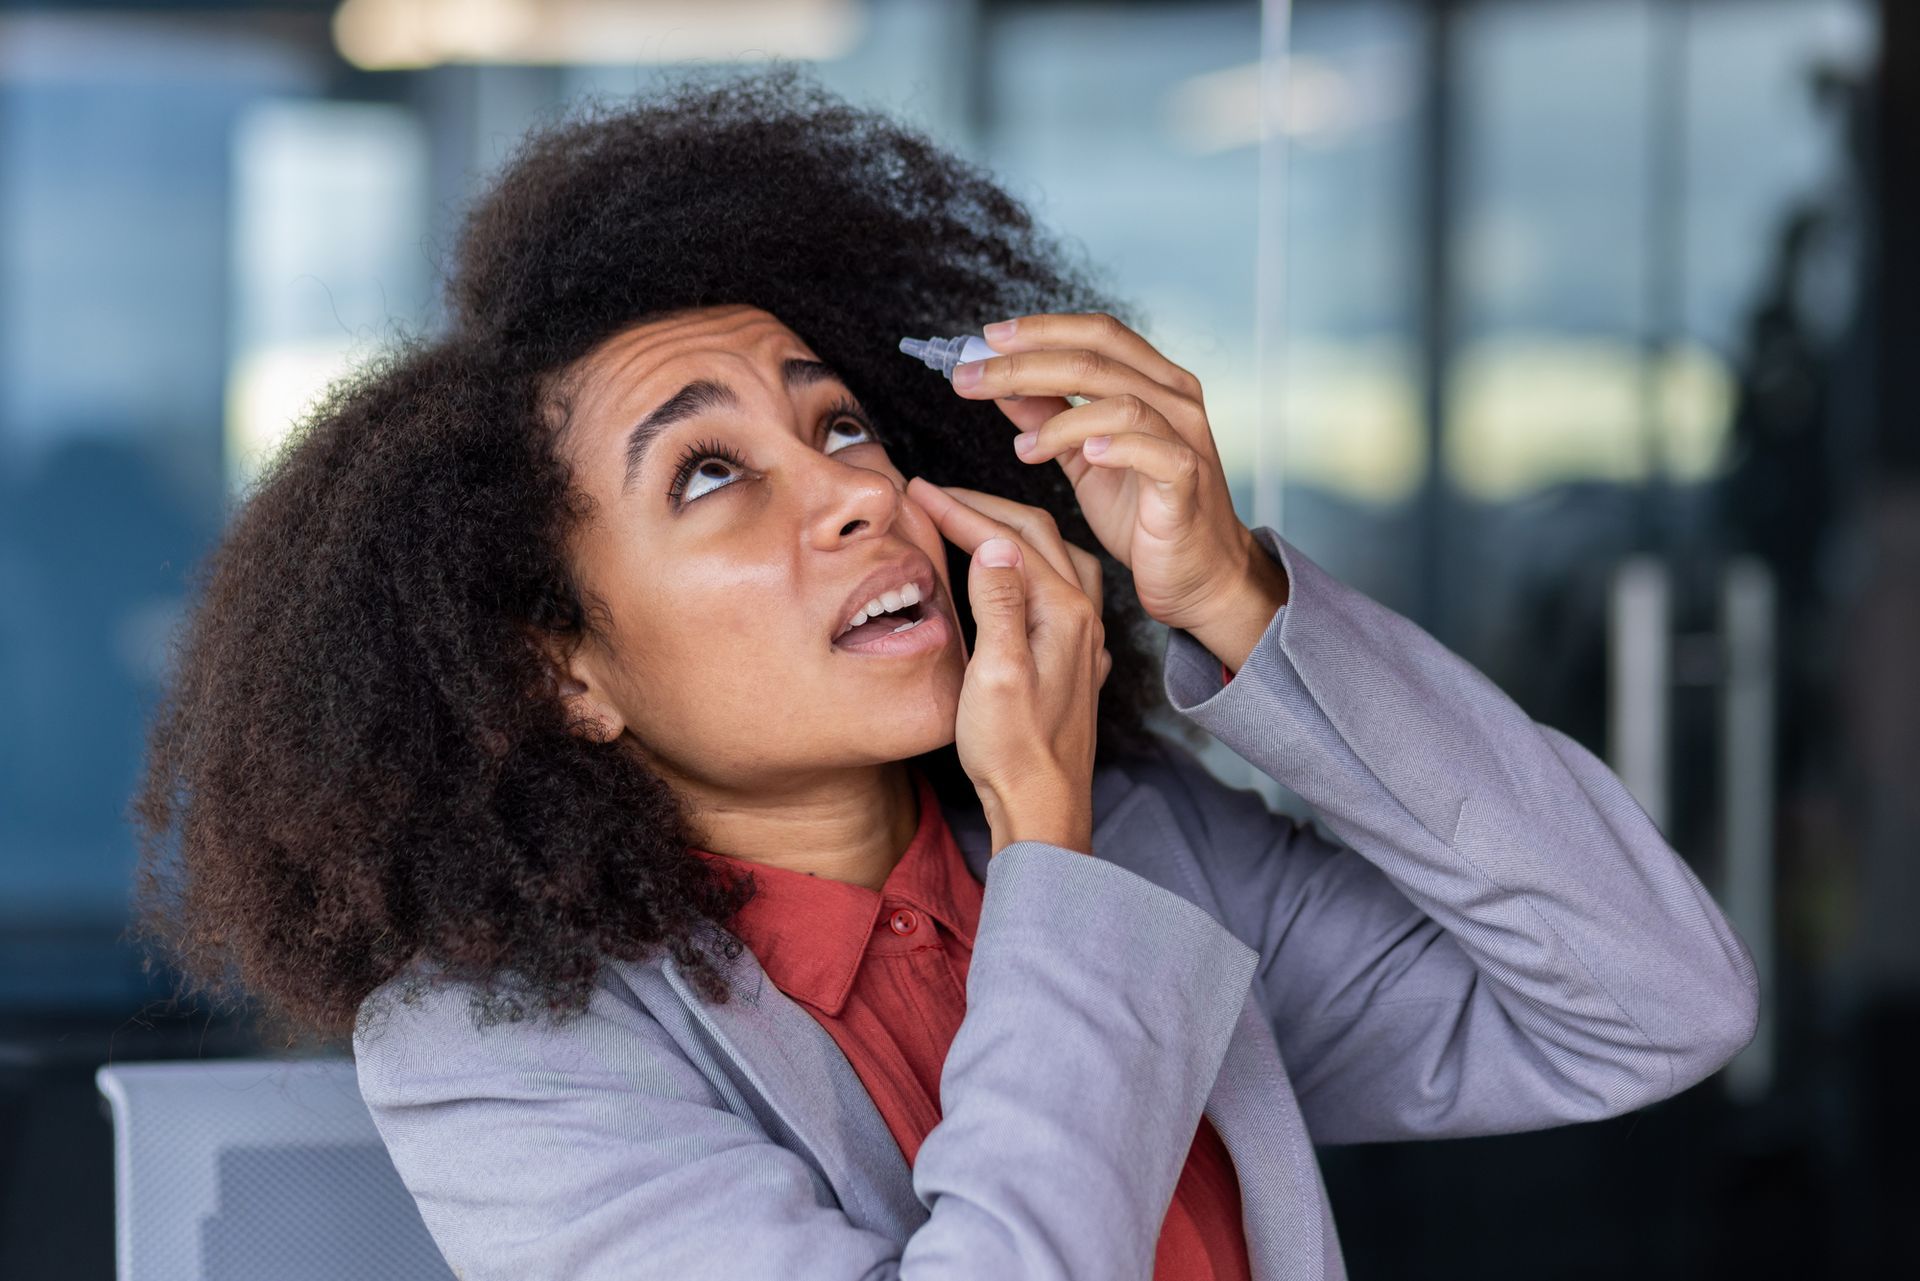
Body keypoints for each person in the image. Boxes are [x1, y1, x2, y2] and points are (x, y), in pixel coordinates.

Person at [130, 63, 1759, 1281]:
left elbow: (1654, 998)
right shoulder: (506, 1053)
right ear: (564, 672)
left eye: (840, 423)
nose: (852, 486)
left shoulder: (1149, 846)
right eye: (710, 473)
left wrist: (1236, 598)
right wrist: (1045, 847)